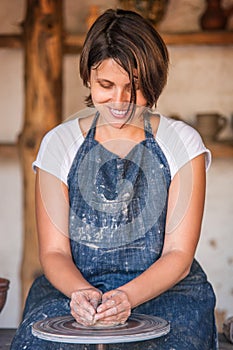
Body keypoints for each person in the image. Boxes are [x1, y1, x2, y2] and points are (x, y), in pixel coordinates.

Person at [11, 8, 217, 350]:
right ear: (88, 78)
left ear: (154, 82)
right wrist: (82, 293)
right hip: (74, 288)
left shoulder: (181, 142)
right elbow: (53, 251)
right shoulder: (59, 143)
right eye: (106, 85)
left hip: (164, 290)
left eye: (133, 88)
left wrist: (125, 297)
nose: (120, 102)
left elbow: (178, 254)